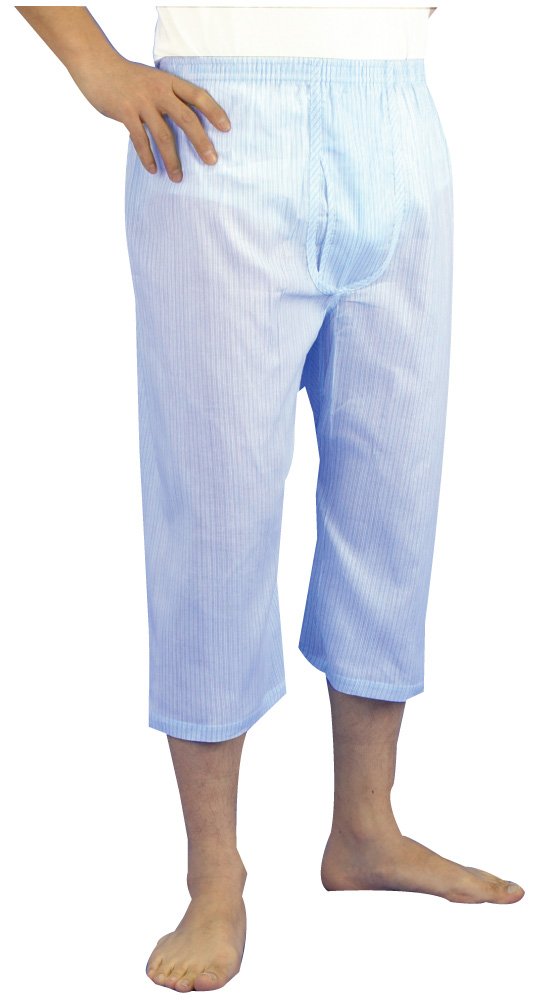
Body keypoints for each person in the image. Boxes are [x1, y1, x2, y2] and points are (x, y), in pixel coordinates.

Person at [15, 5, 526, 995]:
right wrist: (92, 62)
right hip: (216, 122)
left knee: (392, 498)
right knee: (214, 518)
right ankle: (214, 877)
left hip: (398, 115)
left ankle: (365, 828)